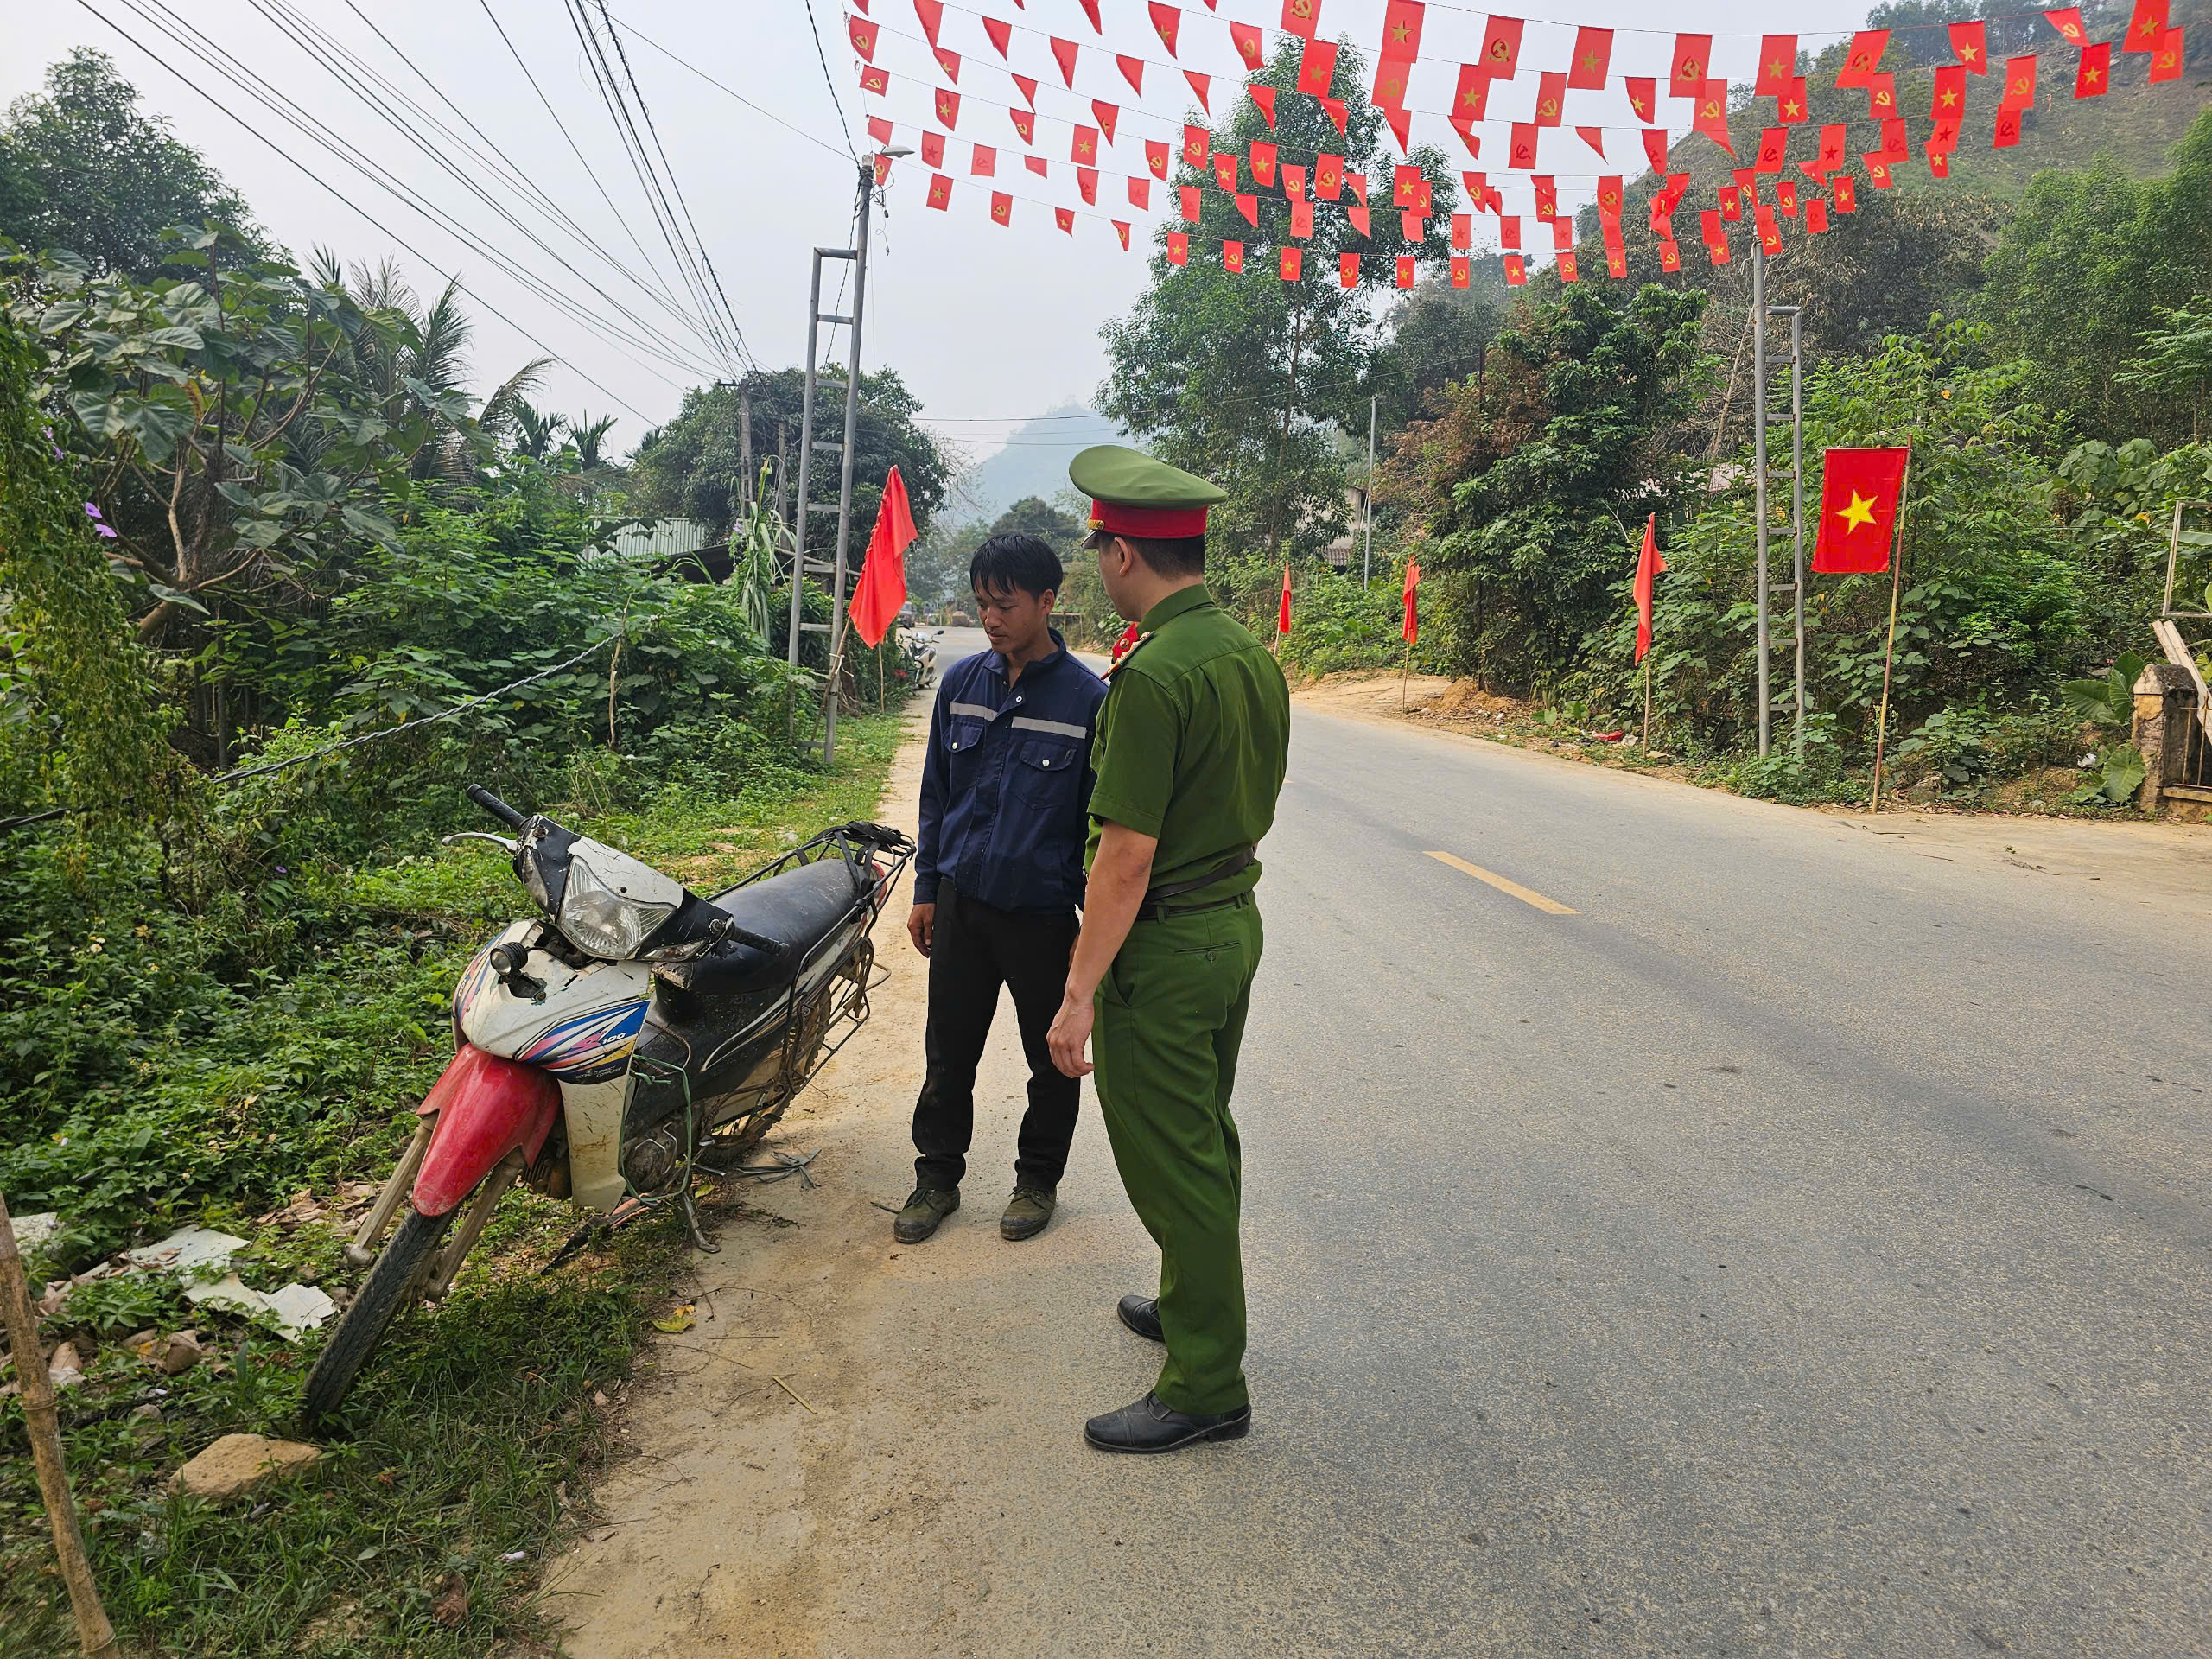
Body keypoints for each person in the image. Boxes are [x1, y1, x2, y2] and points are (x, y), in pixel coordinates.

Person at [1045, 446, 1291, 1455]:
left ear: (1122, 555)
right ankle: (1192, 1305)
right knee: (1205, 1137)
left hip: (1167, 948)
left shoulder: (1151, 678)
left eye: (1099, 544)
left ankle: (1205, 1385)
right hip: (1230, 924)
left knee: (1173, 1158)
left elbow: (1125, 858)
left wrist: (1076, 994)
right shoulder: (1245, 652)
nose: (1097, 561)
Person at [894, 531, 1107, 1246]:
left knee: (1051, 1058)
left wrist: (1085, 920)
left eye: (1006, 604)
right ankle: (935, 1180)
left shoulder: (1088, 702)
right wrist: (926, 886)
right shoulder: (961, 686)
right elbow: (936, 794)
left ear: (1049, 603)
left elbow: (1095, 824)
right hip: (959, 904)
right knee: (948, 1052)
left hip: (1041, 917)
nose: (991, 618)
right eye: (983, 603)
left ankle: (1037, 1180)